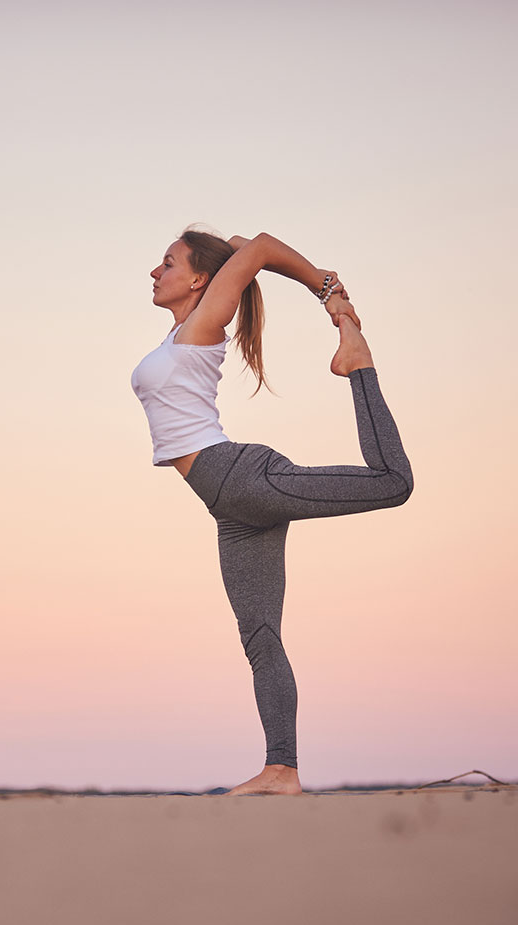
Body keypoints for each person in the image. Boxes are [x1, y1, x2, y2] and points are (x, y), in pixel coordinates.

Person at [131, 228, 413, 795]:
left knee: (392, 483)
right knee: (260, 637)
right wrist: (231, 253)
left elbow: (256, 246)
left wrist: (327, 290)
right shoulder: (180, 331)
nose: (154, 273)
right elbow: (240, 245)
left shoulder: (206, 323)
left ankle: (359, 366)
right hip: (230, 508)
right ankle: (281, 770)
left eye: (167, 263)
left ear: (199, 280)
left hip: (243, 478)